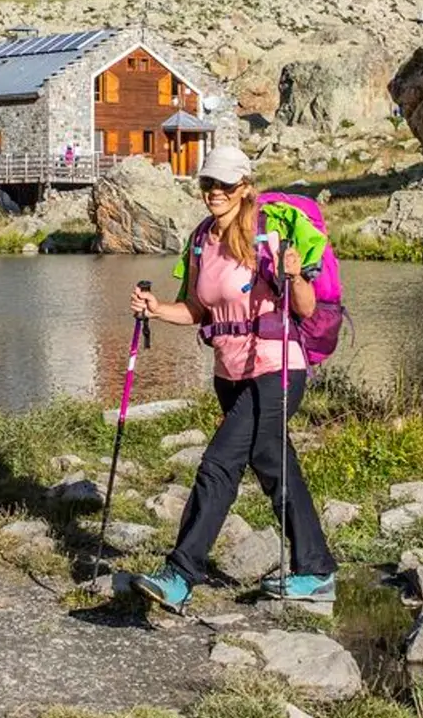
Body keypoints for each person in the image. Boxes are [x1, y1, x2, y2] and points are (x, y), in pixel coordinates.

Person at [127, 144, 339, 610]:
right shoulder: (203, 239)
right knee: (275, 467)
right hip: (229, 371)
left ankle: (180, 574)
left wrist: (294, 276)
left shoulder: (269, 235)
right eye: (208, 183)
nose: (214, 192)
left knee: (219, 463)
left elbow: (303, 308)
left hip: (277, 366)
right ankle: (317, 571)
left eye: (224, 184)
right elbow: (198, 309)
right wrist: (157, 309)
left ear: (245, 188)